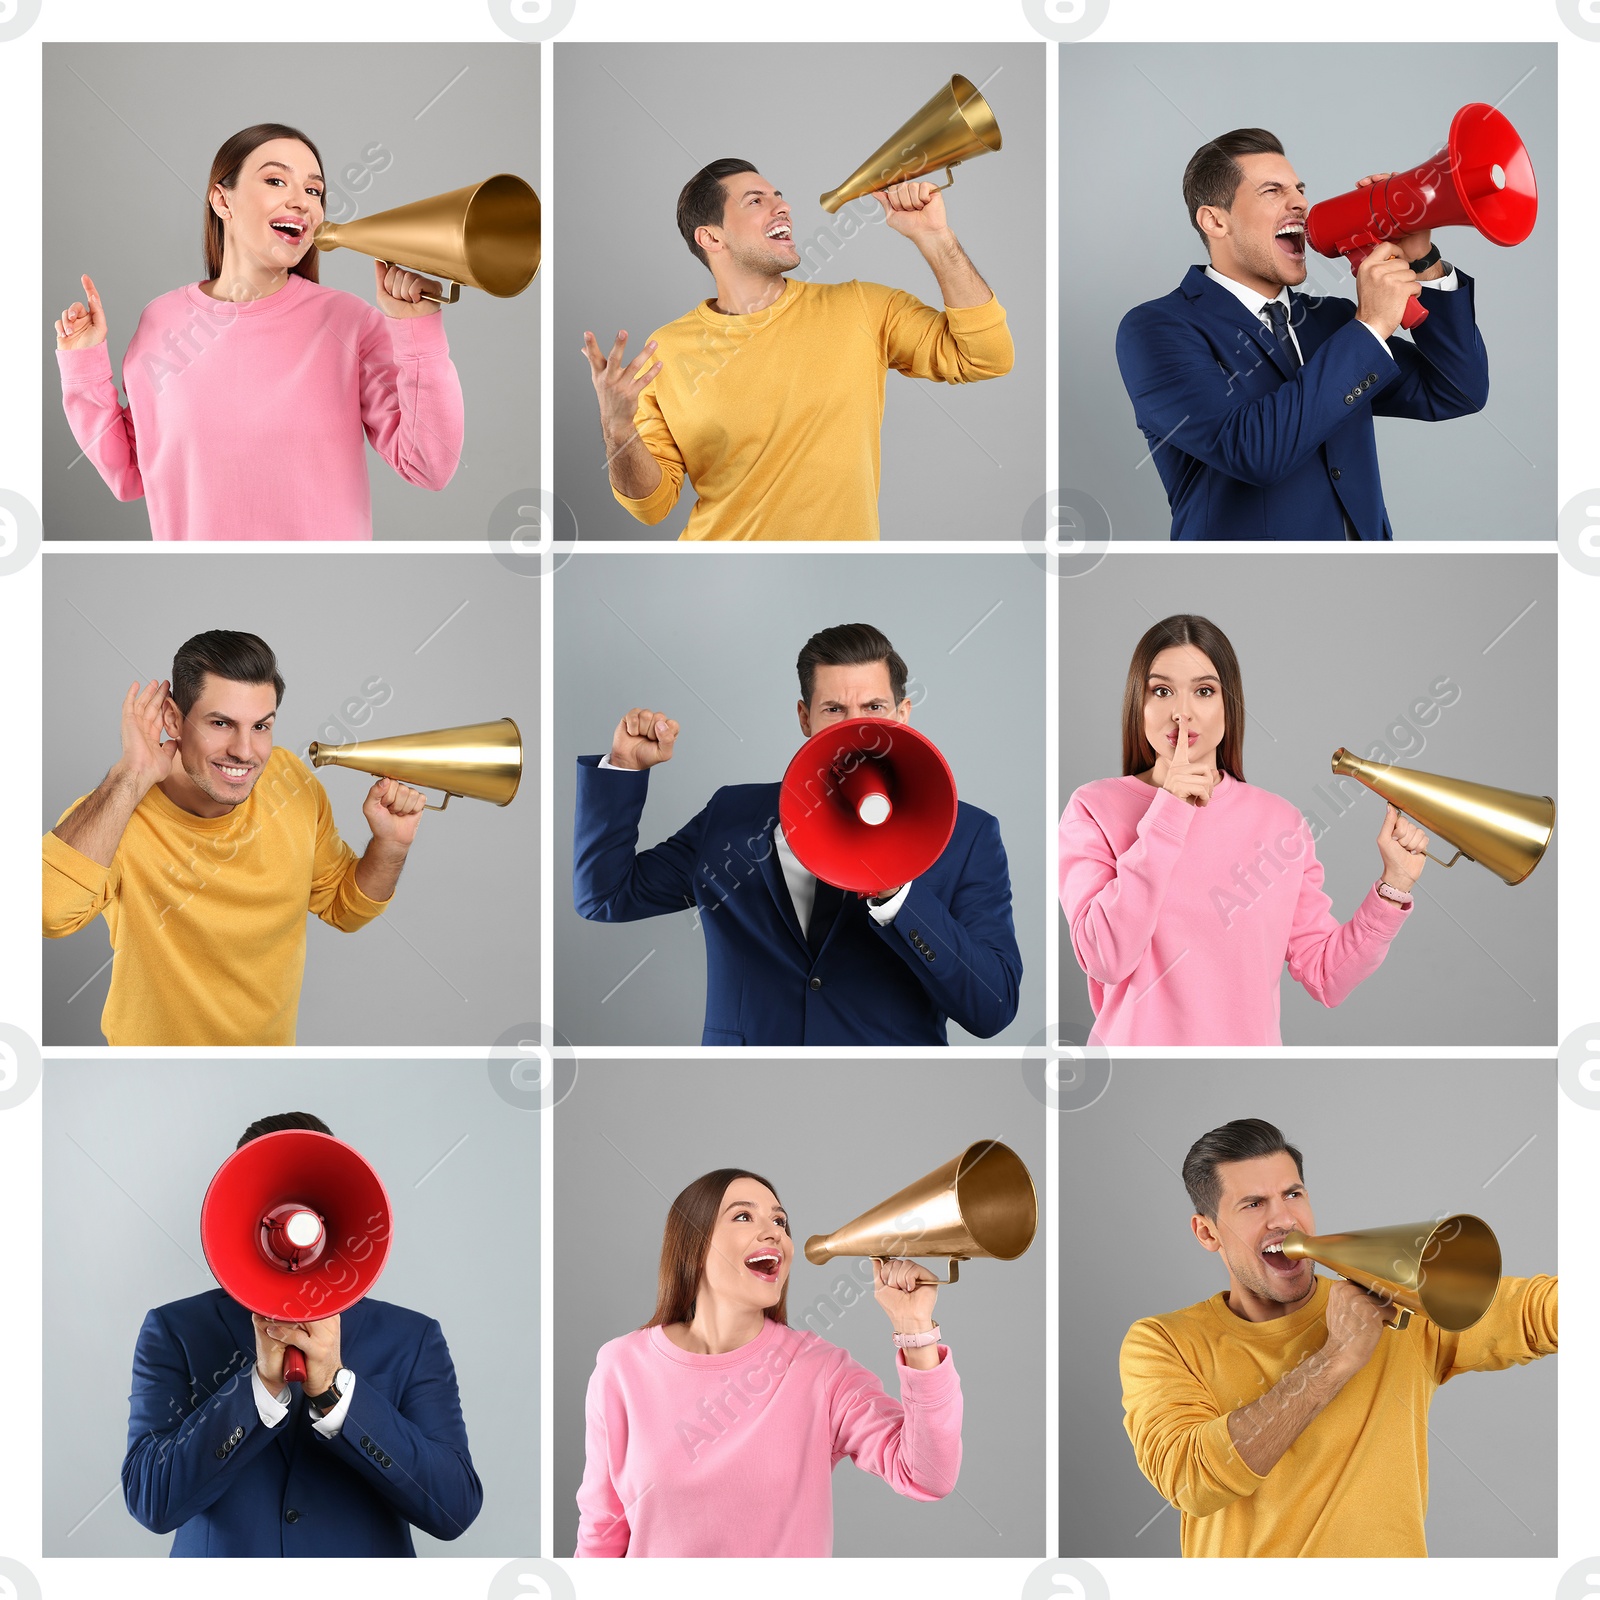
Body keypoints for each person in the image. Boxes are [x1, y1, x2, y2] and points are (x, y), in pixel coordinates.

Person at [1119, 1118, 1557, 1558]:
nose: (1283, 1219)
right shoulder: (1162, 1342)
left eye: (1293, 1194)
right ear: (1207, 1232)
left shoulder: (1398, 1297)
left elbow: (1538, 1310)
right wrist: (1336, 1359)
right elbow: (1190, 1479)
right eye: (1253, 1204)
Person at [573, 622, 1022, 1044]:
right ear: (805, 717)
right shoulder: (732, 814)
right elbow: (605, 896)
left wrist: (899, 898)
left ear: (902, 714)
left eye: (874, 707)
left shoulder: (966, 835)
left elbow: (992, 1007)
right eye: (833, 709)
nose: (855, 727)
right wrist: (623, 770)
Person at [53, 122, 463, 540]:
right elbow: (127, 474)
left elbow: (429, 465)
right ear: (221, 200)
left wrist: (418, 333)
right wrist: (83, 367)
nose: (302, 202)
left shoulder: (349, 322)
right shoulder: (161, 321)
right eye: (275, 180)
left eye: (314, 191)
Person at [582, 159, 1013, 540]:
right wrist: (618, 431)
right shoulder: (666, 351)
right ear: (712, 238)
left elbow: (986, 356)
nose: (781, 206)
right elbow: (650, 508)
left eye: (778, 196)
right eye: (755, 201)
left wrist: (935, 237)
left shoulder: (863, 307)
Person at [121, 1111, 483, 1557]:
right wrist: (258, 1390)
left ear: (333, 1218)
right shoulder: (175, 1331)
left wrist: (338, 1396)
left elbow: (454, 1509)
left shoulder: (411, 1339)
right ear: (240, 1218)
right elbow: (151, 1501)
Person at [42, 630, 426, 1046]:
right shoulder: (114, 813)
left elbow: (344, 907)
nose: (245, 751)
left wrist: (391, 845)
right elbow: (46, 914)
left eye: (261, 726)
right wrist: (130, 776)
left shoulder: (291, 781)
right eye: (221, 723)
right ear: (173, 719)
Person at [1057, 614, 1424, 1045]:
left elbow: (1326, 977)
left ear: (1228, 705)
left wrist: (1394, 886)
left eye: (1204, 691)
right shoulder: (1093, 808)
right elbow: (1105, 958)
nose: (1182, 712)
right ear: (1138, 704)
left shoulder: (1281, 824)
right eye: (1161, 690)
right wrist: (1168, 811)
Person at [1115, 127, 1490, 540]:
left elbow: (1459, 390)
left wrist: (1423, 259)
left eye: (1300, 188)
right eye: (1273, 191)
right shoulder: (1157, 328)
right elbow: (1253, 452)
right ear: (1215, 220)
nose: (1301, 203)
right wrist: (1370, 328)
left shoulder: (1331, 321)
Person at [575, 1166, 959, 1557]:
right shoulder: (621, 1366)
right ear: (694, 1243)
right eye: (743, 1216)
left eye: (780, 1220)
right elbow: (602, 1533)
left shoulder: (821, 1370)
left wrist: (916, 1329)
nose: (775, 1231)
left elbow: (927, 1475)